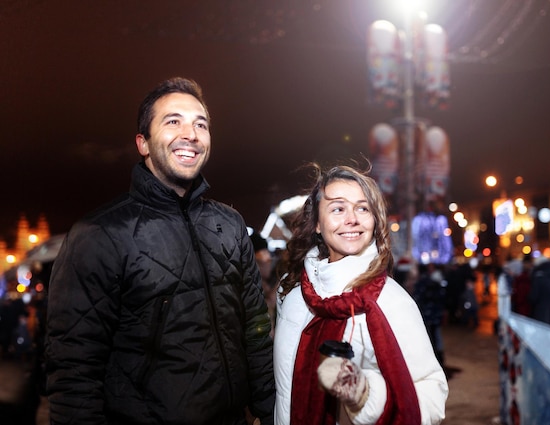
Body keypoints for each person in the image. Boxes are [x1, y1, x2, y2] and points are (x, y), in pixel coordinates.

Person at [45, 77, 275, 425]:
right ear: (143, 143)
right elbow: (74, 369)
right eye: (173, 121)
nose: (191, 134)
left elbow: (256, 332)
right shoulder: (99, 234)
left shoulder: (230, 225)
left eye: (201, 124)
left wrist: (270, 411)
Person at [273, 164, 448, 425]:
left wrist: (364, 393)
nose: (352, 219)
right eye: (338, 208)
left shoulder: (391, 301)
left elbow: (432, 395)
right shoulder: (292, 294)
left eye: (363, 208)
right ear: (317, 224)